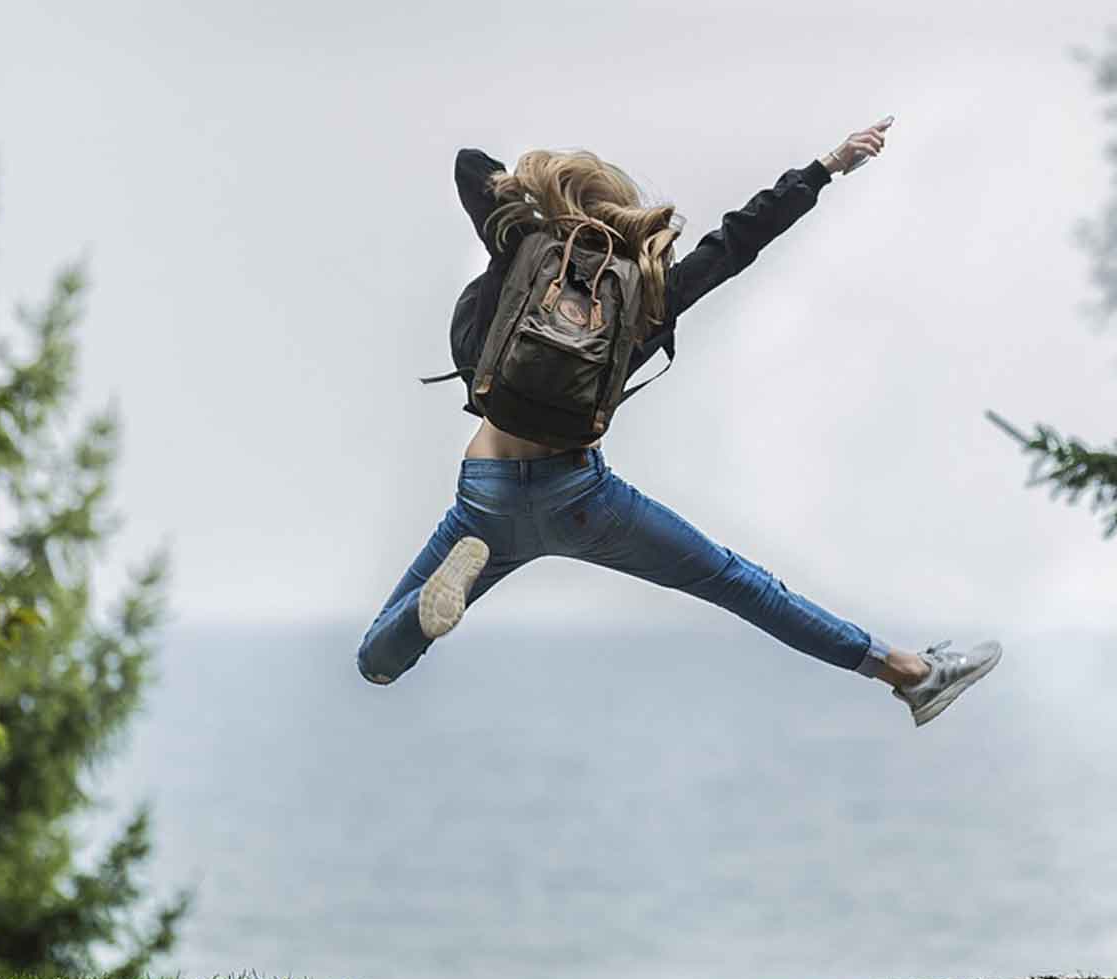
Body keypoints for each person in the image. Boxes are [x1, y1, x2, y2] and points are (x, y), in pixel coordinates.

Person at [356, 117, 1001, 727]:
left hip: (486, 496)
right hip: (580, 497)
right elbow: (736, 243)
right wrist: (825, 167)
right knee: (740, 585)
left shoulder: (522, 250)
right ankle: (910, 674)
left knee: (375, 662)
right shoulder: (645, 291)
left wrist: (543, 207)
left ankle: (423, 613)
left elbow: (471, 165)